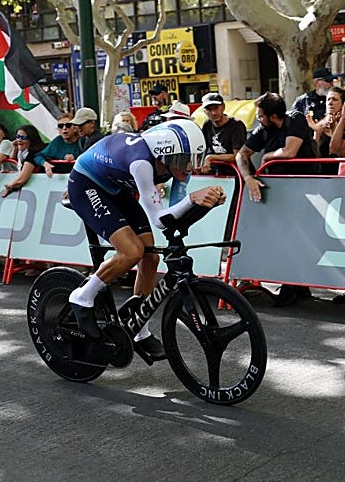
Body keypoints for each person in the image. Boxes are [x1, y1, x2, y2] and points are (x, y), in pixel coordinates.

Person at [65, 119, 225, 361]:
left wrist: (206, 203)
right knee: (131, 252)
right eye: (183, 160)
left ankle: (138, 326)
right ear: (163, 153)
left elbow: (175, 212)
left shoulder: (175, 165)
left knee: (150, 256)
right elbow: (161, 219)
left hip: (116, 188)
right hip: (87, 185)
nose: (188, 168)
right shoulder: (142, 163)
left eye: (192, 159)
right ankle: (83, 295)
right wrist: (193, 199)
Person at [235, 92, 318, 306]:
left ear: (273, 116)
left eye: (261, 116)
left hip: (306, 188)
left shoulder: (296, 119)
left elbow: (290, 151)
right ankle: (295, 286)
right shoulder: (263, 128)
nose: (258, 120)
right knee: (284, 236)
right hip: (280, 191)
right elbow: (241, 155)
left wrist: (267, 156)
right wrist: (249, 178)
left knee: (297, 238)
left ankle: (293, 286)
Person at [199, 92, 247, 175]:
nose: (213, 113)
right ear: (204, 111)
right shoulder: (207, 125)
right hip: (218, 174)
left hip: (238, 174)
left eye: (216, 108)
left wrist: (210, 158)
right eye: (209, 109)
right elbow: (202, 149)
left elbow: (238, 155)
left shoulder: (236, 125)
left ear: (223, 107)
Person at [0, 128, 46, 197]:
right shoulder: (23, 152)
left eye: (23, 137)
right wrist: (15, 149)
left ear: (31, 139)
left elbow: (21, 180)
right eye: (17, 137)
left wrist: (9, 186)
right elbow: (12, 160)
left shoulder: (34, 153)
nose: (19, 140)